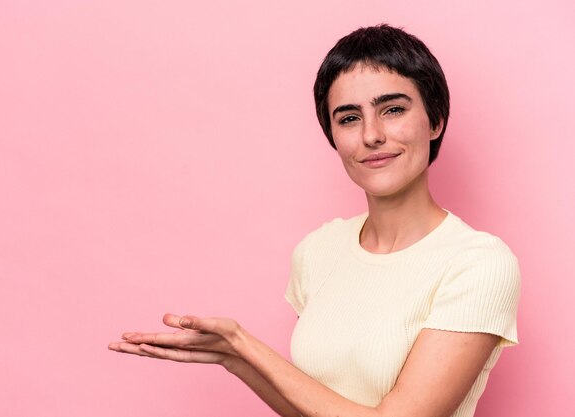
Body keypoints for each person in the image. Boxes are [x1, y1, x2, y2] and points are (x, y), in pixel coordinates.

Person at [108, 24, 520, 417]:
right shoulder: (318, 250)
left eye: (392, 109)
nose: (371, 135)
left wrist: (245, 345)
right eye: (348, 118)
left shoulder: (477, 263)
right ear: (333, 136)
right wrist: (233, 359)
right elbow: (312, 407)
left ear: (435, 121)